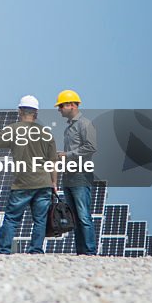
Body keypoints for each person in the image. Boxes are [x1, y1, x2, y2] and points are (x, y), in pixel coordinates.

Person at [0, 95, 59, 254]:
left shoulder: (13, 129)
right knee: (40, 220)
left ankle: (3, 250)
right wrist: (54, 183)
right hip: (44, 183)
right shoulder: (47, 134)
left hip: (22, 184)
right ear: (36, 113)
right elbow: (53, 162)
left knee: (12, 219)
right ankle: (36, 251)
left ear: (19, 111)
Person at [55, 89, 97, 255]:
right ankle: (81, 252)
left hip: (80, 176)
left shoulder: (85, 124)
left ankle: (89, 251)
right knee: (75, 218)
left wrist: (68, 155)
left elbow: (91, 147)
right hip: (69, 176)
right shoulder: (68, 129)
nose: (59, 109)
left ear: (72, 105)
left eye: (61, 106)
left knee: (84, 216)